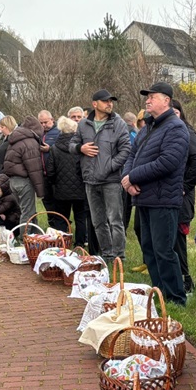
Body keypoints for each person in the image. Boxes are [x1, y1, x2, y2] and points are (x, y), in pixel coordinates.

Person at [125, 82, 190, 305]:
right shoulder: (147, 128)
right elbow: (131, 156)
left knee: (164, 251)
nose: (148, 100)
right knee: (149, 249)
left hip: (163, 199)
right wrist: (128, 181)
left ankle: (175, 298)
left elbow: (168, 162)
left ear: (167, 101)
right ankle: (159, 293)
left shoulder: (176, 127)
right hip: (144, 198)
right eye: (147, 96)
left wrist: (134, 177)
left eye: (153, 96)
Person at [72, 90, 132, 262]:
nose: (109, 104)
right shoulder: (84, 124)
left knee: (115, 220)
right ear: (95, 104)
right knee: (98, 222)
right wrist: (80, 148)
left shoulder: (118, 123)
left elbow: (126, 149)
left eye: (111, 101)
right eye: (105, 101)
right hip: (90, 180)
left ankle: (119, 256)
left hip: (111, 181)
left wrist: (110, 167)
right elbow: (73, 144)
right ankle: (106, 254)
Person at [171, 98, 196, 295]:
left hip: (181, 199)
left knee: (178, 241)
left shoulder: (187, 131)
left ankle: (186, 282)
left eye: (176, 112)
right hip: (167, 197)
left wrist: (185, 185)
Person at [47, 116, 91, 251]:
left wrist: (55, 183)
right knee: (80, 218)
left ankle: (62, 244)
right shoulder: (80, 147)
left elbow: (50, 170)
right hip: (80, 188)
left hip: (61, 190)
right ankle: (79, 243)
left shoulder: (54, 148)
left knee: (61, 218)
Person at [3, 115, 45, 225]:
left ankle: (34, 236)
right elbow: (34, 168)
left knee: (25, 211)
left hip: (13, 181)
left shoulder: (14, 140)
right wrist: (40, 192)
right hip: (24, 181)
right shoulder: (30, 142)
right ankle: (25, 239)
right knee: (28, 213)